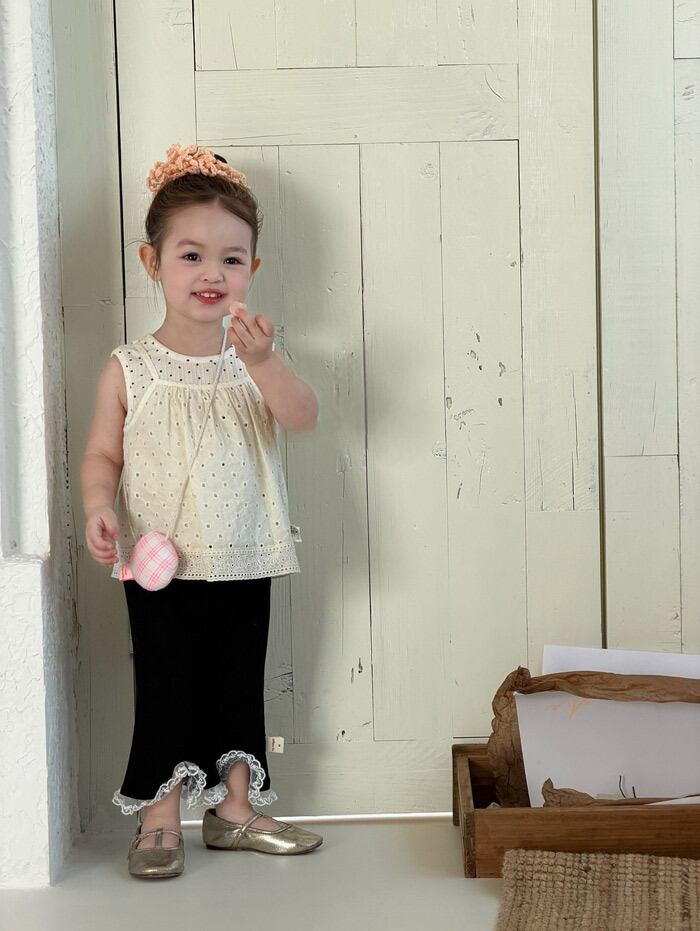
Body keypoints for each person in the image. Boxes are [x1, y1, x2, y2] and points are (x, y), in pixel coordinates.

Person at [80, 143, 322, 879]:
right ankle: (160, 817)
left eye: (231, 259)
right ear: (152, 262)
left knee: (237, 681)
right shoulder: (131, 365)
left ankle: (234, 810)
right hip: (158, 560)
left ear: (253, 269)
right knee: (166, 685)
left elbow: (303, 416)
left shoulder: (254, 357)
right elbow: (103, 454)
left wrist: (264, 362)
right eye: (191, 256)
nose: (211, 274)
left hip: (246, 552)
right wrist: (97, 505)